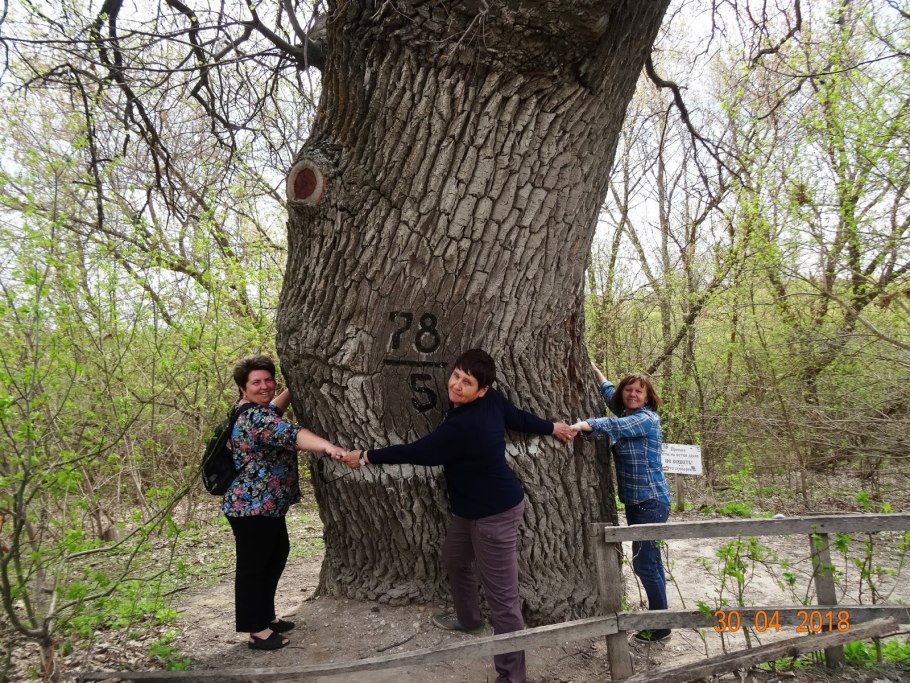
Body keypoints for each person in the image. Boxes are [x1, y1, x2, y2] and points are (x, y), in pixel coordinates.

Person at [339, 349, 575, 683]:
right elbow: (518, 418)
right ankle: (469, 620)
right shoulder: (490, 401)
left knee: (504, 603)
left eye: (467, 382)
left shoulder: (466, 423)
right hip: (470, 510)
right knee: (455, 559)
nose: (457, 385)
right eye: (456, 376)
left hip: (495, 515)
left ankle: (512, 677)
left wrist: (365, 456)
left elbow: (419, 452)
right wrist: (552, 427)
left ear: (482, 390)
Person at [225, 355, 346, 650]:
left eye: (269, 380)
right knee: (255, 566)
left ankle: (265, 617)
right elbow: (291, 433)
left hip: (265, 506)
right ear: (243, 387)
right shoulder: (256, 417)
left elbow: (273, 410)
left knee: (275, 556)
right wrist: (329, 447)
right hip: (252, 507)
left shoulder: (251, 410)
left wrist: (292, 388)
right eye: (257, 382)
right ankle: (257, 630)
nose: (264, 386)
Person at [571, 362, 672, 643]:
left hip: (650, 501)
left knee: (646, 564)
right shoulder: (627, 411)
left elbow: (615, 424)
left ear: (648, 398)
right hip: (637, 502)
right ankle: (661, 618)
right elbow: (609, 394)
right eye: (629, 390)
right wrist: (595, 371)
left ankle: (661, 626)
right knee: (650, 562)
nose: (632, 394)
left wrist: (583, 425)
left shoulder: (645, 419)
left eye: (639, 391)